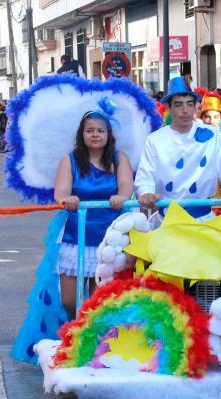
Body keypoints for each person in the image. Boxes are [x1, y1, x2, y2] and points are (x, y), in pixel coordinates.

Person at [53, 111, 133, 317]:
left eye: (100, 131)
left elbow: (126, 186)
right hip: (75, 236)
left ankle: (92, 340)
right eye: (90, 130)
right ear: (82, 134)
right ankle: (76, 327)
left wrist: (121, 196)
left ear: (108, 134)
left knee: (100, 301)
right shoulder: (69, 160)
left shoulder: (119, 158)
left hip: (109, 238)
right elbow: (60, 193)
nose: (95, 135)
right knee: (69, 300)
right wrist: (66, 199)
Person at [135, 76, 221, 221]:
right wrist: (146, 192)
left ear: (195, 106)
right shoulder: (155, 140)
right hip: (166, 222)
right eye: (178, 105)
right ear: (168, 107)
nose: (185, 110)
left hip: (203, 220)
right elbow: (145, 176)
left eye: (189, 104)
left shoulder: (212, 135)